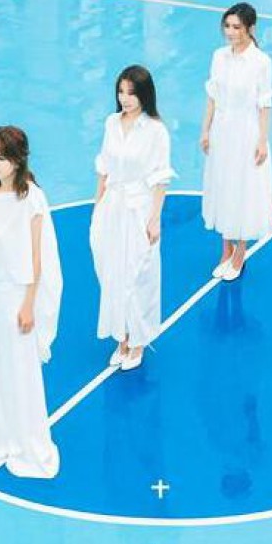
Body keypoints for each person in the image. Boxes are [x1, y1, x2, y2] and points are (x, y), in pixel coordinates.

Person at [0, 126, 62, 478]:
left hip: (15, 293)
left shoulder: (31, 198)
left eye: (1, 158)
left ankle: (27, 443)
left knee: (20, 370)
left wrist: (29, 303)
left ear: (18, 160)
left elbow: (37, 257)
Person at [90, 65, 175, 371]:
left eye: (131, 93)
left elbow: (161, 178)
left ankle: (138, 341)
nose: (124, 99)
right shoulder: (111, 123)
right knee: (112, 273)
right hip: (111, 208)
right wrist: (98, 205)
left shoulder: (156, 130)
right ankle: (122, 337)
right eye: (121, 92)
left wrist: (154, 219)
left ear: (144, 95)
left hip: (138, 209)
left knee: (139, 276)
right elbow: (104, 167)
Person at [200, 2, 272, 281]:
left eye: (236, 27)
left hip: (246, 133)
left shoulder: (261, 62)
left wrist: (262, 141)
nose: (230, 32)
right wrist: (205, 130)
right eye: (227, 26)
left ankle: (240, 252)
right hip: (221, 131)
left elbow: (264, 105)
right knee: (222, 186)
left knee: (242, 189)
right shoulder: (218, 57)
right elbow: (212, 97)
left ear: (250, 29)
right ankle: (225, 249)